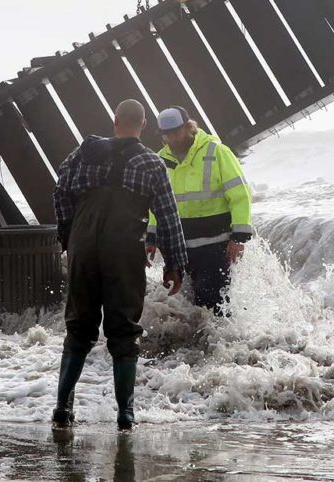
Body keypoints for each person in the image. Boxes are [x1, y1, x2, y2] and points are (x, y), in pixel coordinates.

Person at [51, 99, 188, 431]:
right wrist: (175, 263)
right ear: (142, 126)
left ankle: (62, 408)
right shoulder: (151, 162)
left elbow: (59, 195)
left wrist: (69, 237)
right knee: (124, 331)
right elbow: (168, 217)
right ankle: (125, 414)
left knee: (79, 328)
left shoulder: (80, 156)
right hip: (124, 250)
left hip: (83, 247)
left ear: (115, 121)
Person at [147, 106, 253, 314]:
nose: (172, 139)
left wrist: (239, 237)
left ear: (189, 127)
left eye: (176, 133)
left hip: (215, 247)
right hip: (179, 249)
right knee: (185, 307)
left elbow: (240, 194)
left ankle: (223, 345)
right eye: (167, 135)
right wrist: (151, 238)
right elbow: (154, 205)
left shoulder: (217, 152)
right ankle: (196, 345)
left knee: (213, 307)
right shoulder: (159, 160)